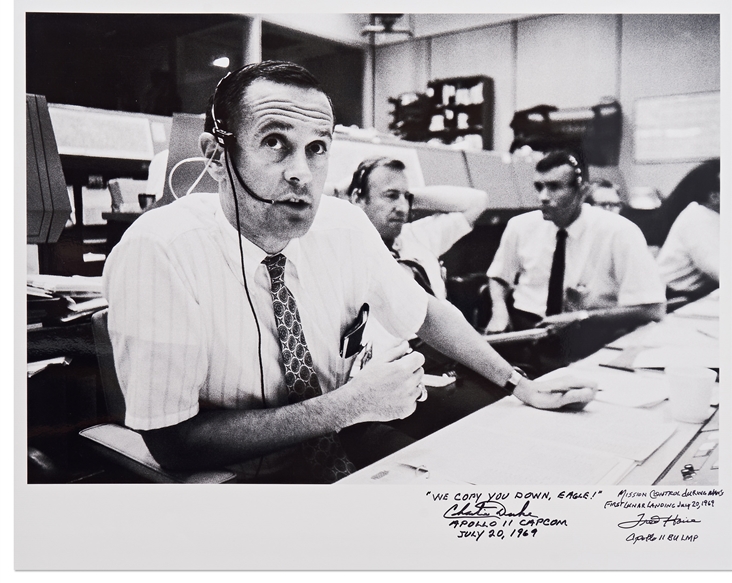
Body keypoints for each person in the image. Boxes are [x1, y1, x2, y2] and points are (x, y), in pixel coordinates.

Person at [103, 61, 595, 484]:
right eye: (275, 142)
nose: (301, 172)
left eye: (317, 148)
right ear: (216, 156)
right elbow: (172, 442)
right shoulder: (158, 250)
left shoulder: (342, 226)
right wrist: (346, 406)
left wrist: (518, 383)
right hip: (240, 483)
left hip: (338, 453)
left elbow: (423, 312)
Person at [485, 150, 666, 334]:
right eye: (539, 187)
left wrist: (582, 318)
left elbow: (654, 309)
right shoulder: (520, 226)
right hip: (528, 328)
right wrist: (498, 309)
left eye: (554, 187)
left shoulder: (620, 232)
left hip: (588, 331)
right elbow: (499, 275)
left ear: (583, 191)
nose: (543, 197)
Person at [347, 156, 487, 299]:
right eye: (391, 195)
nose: (403, 208)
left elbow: (477, 202)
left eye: (406, 198)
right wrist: (341, 192)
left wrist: (410, 196)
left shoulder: (417, 236)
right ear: (358, 199)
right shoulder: (347, 254)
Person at [656, 161, 720, 300]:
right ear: (714, 197)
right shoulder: (698, 217)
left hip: (695, 294)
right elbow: (720, 270)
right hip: (673, 297)